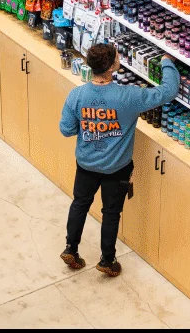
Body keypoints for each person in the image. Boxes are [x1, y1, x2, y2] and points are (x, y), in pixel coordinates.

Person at [59, 43, 179, 276]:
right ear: (113, 66)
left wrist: (90, 126)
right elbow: (167, 92)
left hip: (86, 164)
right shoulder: (129, 97)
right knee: (111, 213)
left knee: (80, 204)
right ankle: (107, 260)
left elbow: (66, 130)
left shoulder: (77, 95)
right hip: (117, 168)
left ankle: (71, 248)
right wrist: (166, 62)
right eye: (117, 56)